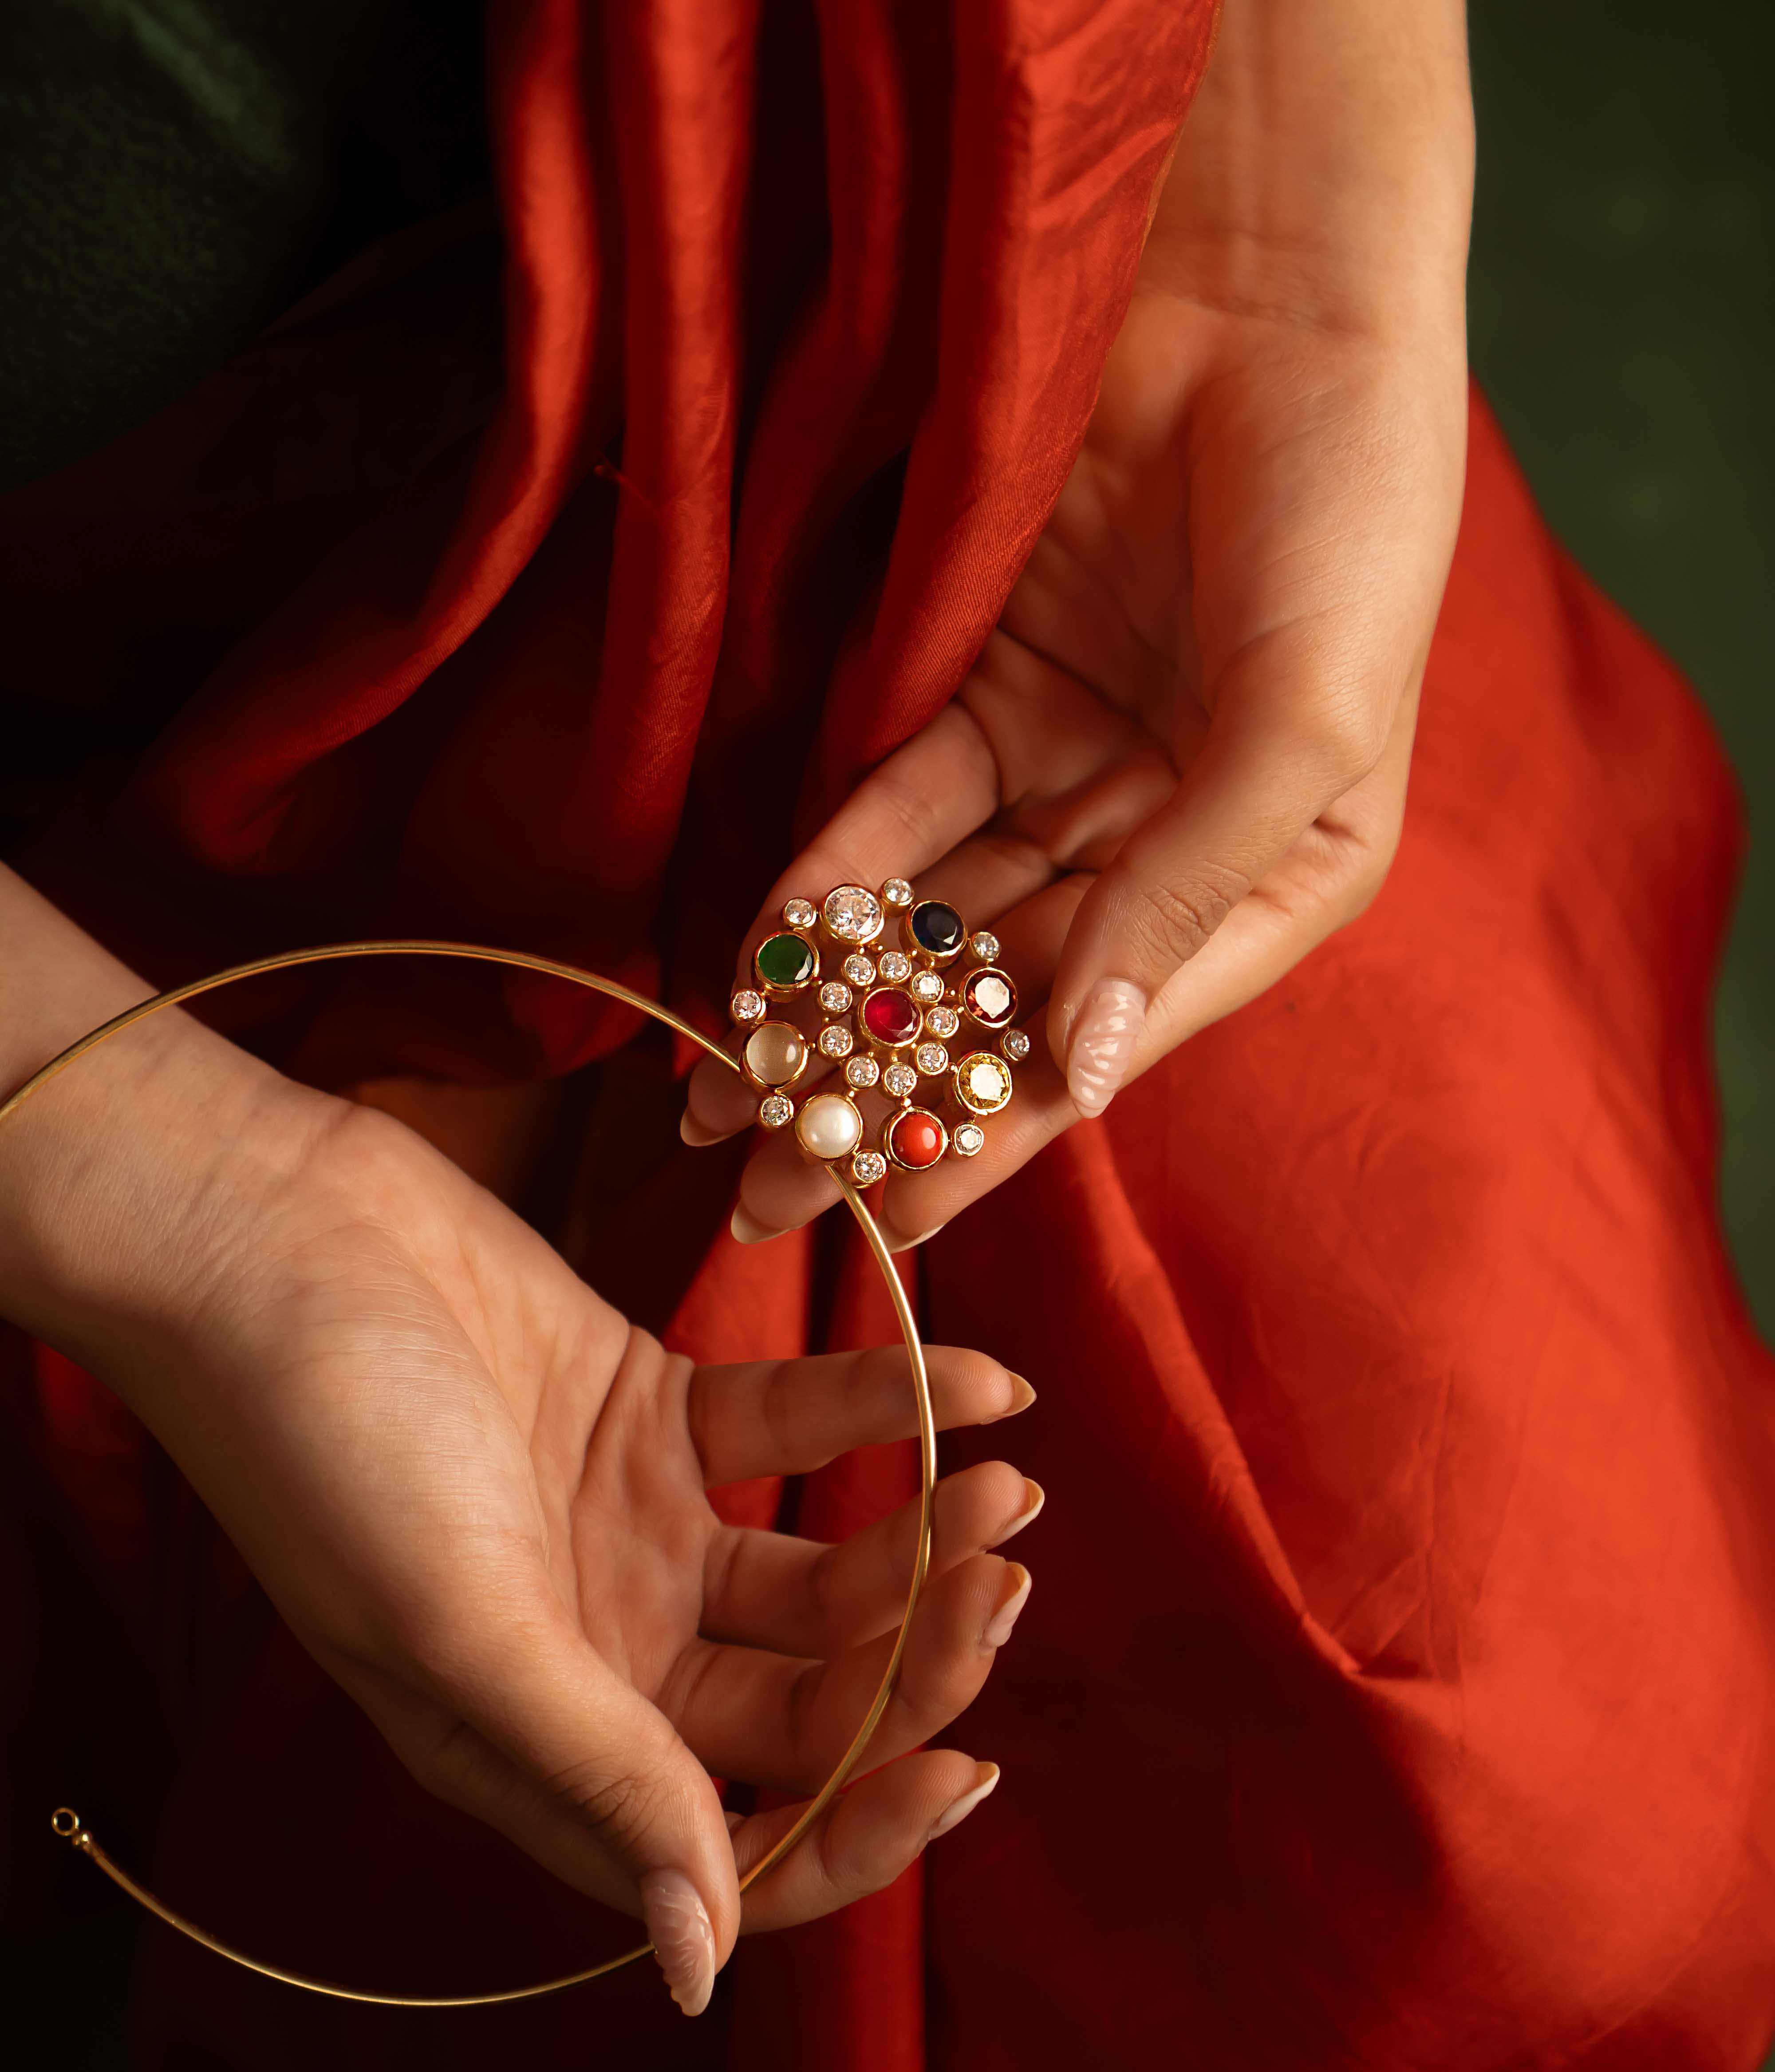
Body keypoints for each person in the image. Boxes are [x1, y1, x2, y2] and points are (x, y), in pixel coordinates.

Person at [2, 2, 1771, 2067]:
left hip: (1037, 416)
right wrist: (165, 1190)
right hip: (164, 832)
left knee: (1543, 1807)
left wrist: (1295, 197)